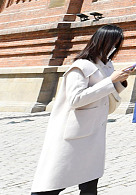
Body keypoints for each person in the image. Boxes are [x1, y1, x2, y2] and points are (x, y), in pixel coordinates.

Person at [30, 24, 130, 195]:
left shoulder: (107, 66)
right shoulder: (80, 66)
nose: (115, 48)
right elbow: (75, 99)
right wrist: (109, 82)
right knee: (53, 183)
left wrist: (119, 82)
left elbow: (106, 101)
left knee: (90, 182)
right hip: (73, 134)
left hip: (94, 132)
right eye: (113, 43)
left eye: (118, 44)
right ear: (102, 42)